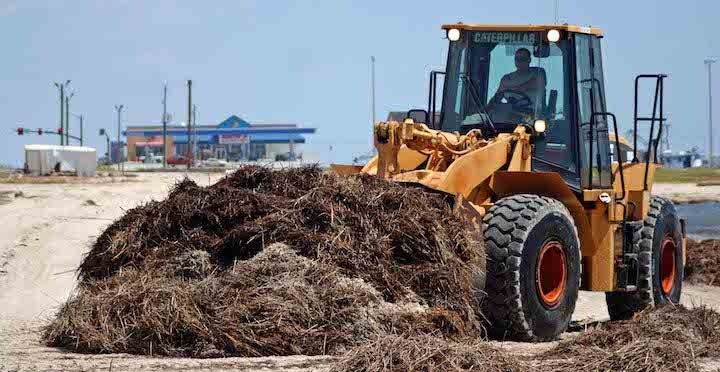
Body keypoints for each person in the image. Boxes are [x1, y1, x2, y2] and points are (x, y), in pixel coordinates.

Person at [490, 48, 546, 114]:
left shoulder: (538, 74)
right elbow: (497, 98)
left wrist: (512, 89)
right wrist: (483, 111)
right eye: (517, 59)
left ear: (529, 60)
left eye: (523, 59)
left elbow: (530, 85)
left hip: (533, 116)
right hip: (510, 115)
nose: (519, 62)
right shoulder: (507, 79)